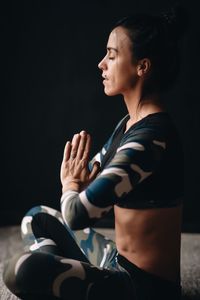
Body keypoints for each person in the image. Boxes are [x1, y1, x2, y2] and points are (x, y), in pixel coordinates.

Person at [3, 4, 186, 300]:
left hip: (144, 288)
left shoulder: (152, 139)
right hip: (117, 262)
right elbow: (90, 180)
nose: (102, 64)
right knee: (36, 218)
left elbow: (77, 213)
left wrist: (71, 186)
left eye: (112, 55)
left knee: (20, 270)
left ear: (143, 66)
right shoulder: (129, 124)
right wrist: (79, 186)